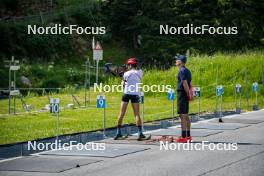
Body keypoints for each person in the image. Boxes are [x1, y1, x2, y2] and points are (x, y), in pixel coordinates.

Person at [114, 57, 146, 140]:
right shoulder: (140, 72)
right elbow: (137, 71)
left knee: (121, 114)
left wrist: (122, 76)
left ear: (130, 65)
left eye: (128, 65)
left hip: (126, 94)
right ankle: (140, 133)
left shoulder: (126, 74)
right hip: (135, 94)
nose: (127, 66)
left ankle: (118, 133)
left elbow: (123, 84)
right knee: (136, 114)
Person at [175, 55, 193, 143]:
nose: (176, 61)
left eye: (177, 59)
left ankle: (183, 136)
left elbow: (185, 83)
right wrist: (190, 93)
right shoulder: (187, 70)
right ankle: (188, 135)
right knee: (186, 115)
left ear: (181, 61)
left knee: (182, 115)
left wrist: (187, 93)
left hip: (182, 93)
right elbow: (190, 83)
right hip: (185, 93)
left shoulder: (181, 70)